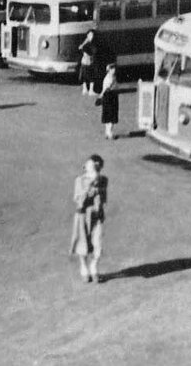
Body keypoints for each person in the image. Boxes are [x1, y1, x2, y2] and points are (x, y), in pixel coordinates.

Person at [70, 154, 108, 284]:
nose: (90, 165)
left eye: (95, 164)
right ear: (86, 167)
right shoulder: (79, 180)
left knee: (98, 243)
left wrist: (97, 184)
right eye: (89, 163)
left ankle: (94, 267)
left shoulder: (103, 180)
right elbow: (79, 201)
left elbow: (103, 199)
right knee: (83, 243)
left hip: (96, 216)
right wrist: (90, 185)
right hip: (82, 216)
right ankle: (84, 268)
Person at [98, 62, 120, 140]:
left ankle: (107, 132)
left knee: (107, 114)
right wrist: (101, 95)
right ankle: (110, 133)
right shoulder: (110, 78)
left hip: (109, 96)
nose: (114, 70)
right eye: (112, 69)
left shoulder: (110, 77)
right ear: (109, 70)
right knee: (111, 114)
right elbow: (106, 88)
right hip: (111, 96)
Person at [77, 30, 98, 96]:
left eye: (92, 35)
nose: (91, 36)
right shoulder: (86, 43)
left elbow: (94, 51)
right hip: (85, 62)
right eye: (89, 35)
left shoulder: (93, 44)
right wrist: (85, 42)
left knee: (91, 77)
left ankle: (91, 90)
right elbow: (80, 47)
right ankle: (85, 89)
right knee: (84, 76)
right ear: (87, 36)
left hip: (90, 62)